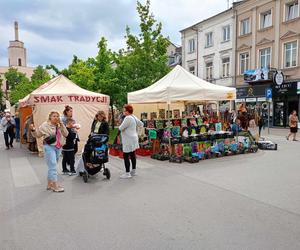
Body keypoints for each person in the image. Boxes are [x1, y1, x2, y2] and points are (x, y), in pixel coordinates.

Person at [30, 110, 68, 192]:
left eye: (57, 116)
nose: (56, 118)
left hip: (58, 147)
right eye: (54, 116)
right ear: (50, 117)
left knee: (52, 167)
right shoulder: (45, 125)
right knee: (53, 166)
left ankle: (49, 184)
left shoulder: (60, 125)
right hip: (49, 147)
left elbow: (66, 134)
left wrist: (62, 125)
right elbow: (37, 135)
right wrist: (33, 130)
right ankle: (55, 186)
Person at [118, 104, 143, 179]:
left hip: (128, 139)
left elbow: (120, 128)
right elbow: (141, 124)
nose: (123, 112)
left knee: (126, 156)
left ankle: (127, 173)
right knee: (132, 154)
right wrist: (136, 131)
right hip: (134, 138)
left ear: (128, 111)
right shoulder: (134, 116)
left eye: (124, 110)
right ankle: (133, 171)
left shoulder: (127, 118)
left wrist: (121, 125)